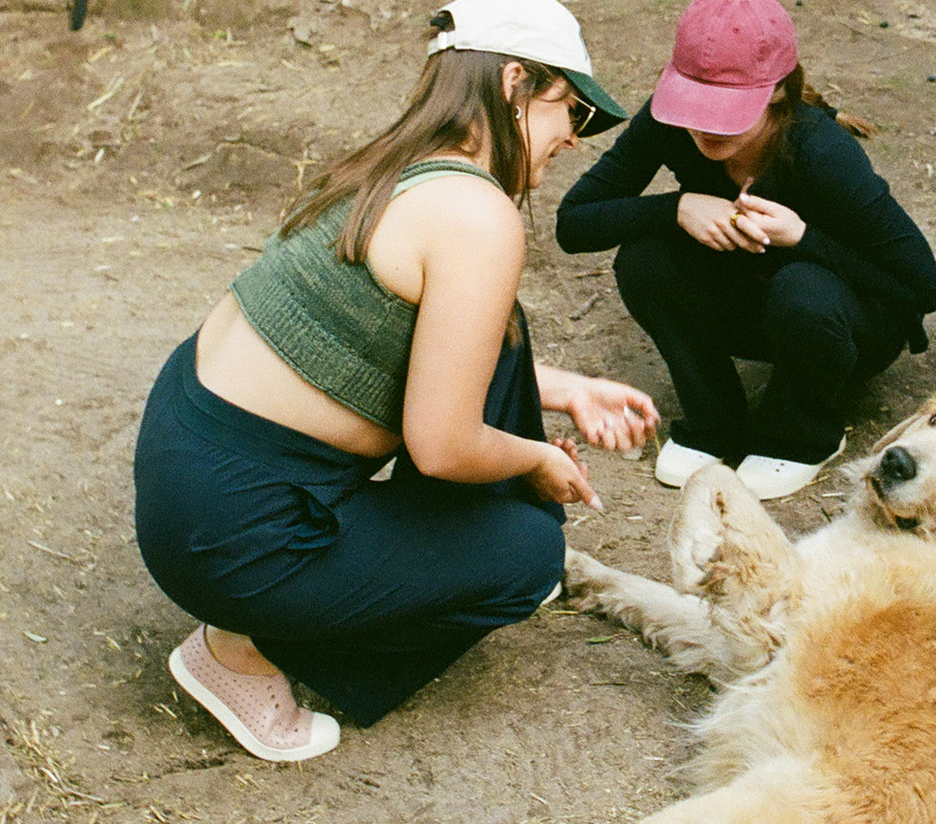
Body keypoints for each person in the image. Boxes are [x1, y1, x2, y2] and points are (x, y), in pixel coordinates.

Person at [133, 0, 658, 762]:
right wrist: (538, 458)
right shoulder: (479, 213)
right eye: (570, 106)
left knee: (505, 350)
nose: (574, 135)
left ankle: (270, 609)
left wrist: (567, 389)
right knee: (526, 558)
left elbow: (421, 347)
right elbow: (442, 444)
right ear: (514, 83)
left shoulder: (393, 166)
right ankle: (243, 653)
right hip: (232, 534)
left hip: (189, 466)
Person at [556, 0, 936, 500]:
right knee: (644, 257)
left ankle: (805, 433)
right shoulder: (670, 123)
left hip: (843, 321)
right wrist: (677, 206)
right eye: (695, 107)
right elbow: (574, 222)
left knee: (801, 288)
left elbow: (921, 289)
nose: (706, 129)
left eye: (726, 113)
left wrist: (804, 238)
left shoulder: (822, 152)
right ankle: (715, 421)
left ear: (778, 93)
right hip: (760, 306)